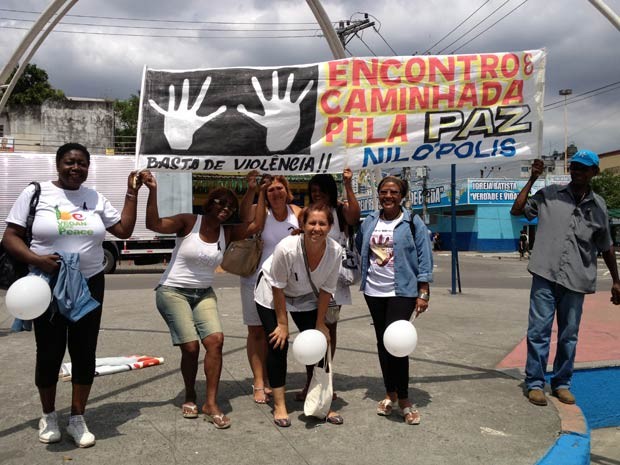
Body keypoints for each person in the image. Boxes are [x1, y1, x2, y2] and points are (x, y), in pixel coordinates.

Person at [1, 142, 143, 448]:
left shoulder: (94, 198)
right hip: (46, 285)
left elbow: (124, 230)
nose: (75, 168)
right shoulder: (36, 192)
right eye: (69, 162)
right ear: (58, 163)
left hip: (88, 284)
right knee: (49, 352)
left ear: (88, 167)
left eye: (81, 163)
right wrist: (37, 260)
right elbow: (10, 236)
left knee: (84, 352)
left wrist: (133, 192)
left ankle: (77, 417)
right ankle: (49, 415)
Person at [143, 172, 264, 429]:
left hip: (203, 293)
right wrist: (152, 190)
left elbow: (254, 224)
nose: (225, 208)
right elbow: (153, 223)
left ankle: (210, 403)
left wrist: (254, 191)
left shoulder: (227, 233)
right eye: (220, 202)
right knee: (191, 347)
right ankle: (189, 395)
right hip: (173, 290)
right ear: (209, 204)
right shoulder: (189, 221)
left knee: (215, 341)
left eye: (230, 206)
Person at [510, 152, 620, 407]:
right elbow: (517, 210)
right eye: (575, 167)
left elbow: (606, 246)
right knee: (539, 331)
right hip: (545, 275)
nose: (578, 171)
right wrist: (532, 179)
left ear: (595, 172)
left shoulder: (599, 206)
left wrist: (616, 280)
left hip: (576, 279)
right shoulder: (549, 194)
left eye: (585, 168)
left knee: (569, 335)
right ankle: (535, 383)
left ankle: (561, 383)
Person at [254, 203, 344, 427]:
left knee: (320, 344)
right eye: (311, 223)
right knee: (278, 343)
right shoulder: (287, 248)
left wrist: (320, 324)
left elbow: (326, 290)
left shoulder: (335, 251)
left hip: (305, 294)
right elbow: (277, 286)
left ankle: (321, 403)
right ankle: (280, 404)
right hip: (272, 292)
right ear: (302, 225)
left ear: (330, 227)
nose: (316, 228)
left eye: (322, 223)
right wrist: (282, 324)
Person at [355, 176, 433, 425]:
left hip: (402, 292)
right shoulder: (369, 221)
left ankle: (406, 400)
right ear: (378, 194)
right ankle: (390, 393)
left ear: (402, 196)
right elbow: (360, 247)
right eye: (384, 191)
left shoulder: (412, 222)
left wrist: (424, 291)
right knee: (382, 343)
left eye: (394, 192)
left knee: (398, 345)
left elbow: (424, 255)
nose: (389, 196)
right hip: (374, 291)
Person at [294, 168, 360, 401]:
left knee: (327, 330)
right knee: (310, 330)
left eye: (321, 191)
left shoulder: (340, 211)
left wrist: (348, 184)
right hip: (308, 280)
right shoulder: (306, 212)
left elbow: (354, 217)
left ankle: (324, 378)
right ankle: (311, 380)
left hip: (333, 283)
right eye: (313, 191)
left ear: (330, 192)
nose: (317, 194)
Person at [238, 173, 302, 404]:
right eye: (271, 190)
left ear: (287, 190)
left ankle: (275, 379)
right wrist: (252, 190)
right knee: (256, 332)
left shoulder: (298, 213)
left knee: (276, 333)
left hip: (288, 282)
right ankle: (259, 381)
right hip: (255, 279)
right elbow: (243, 215)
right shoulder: (260, 210)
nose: (275, 193)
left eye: (279, 188)